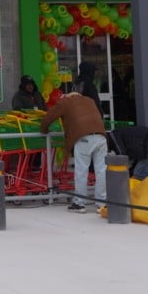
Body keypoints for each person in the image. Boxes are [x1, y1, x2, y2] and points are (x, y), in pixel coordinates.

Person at [40, 81, 108, 210]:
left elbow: (49, 116)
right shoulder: (89, 100)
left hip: (83, 138)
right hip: (101, 136)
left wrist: (44, 130)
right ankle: (102, 203)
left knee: (81, 171)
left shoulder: (65, 102)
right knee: (101, 170)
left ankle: (79, 203)